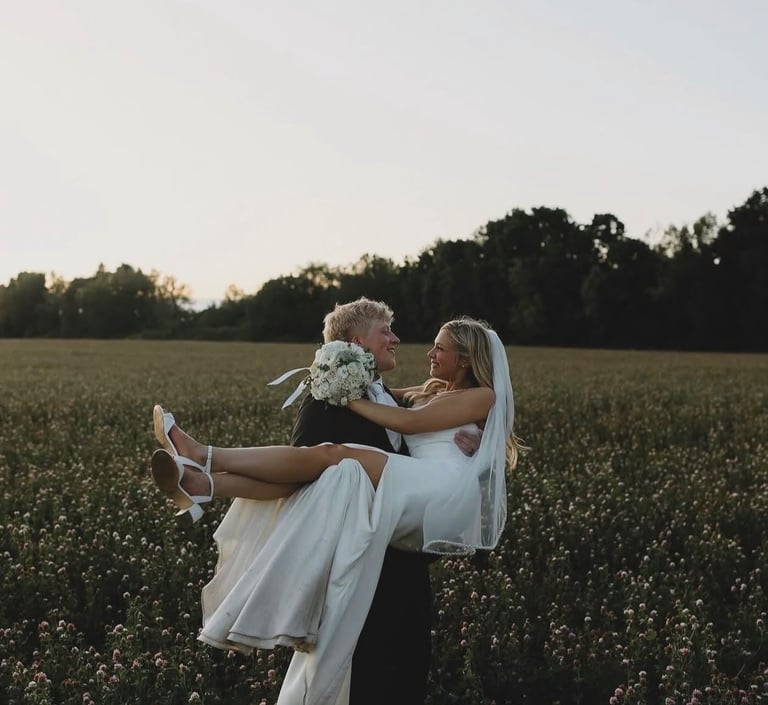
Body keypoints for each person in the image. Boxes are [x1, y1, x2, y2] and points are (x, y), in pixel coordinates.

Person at [151, 314, 520, 705]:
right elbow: (383, 399)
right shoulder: (430, 390)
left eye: (440, 348)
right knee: (324, 468)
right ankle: (202, 482)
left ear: (464, 359)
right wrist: (336, 378)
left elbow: (409, 423)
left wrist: (349, 397)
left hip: (437, 489)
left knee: (333, 455)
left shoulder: (483, 395)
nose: (429, 353)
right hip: (410, 495)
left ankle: (203, 457)